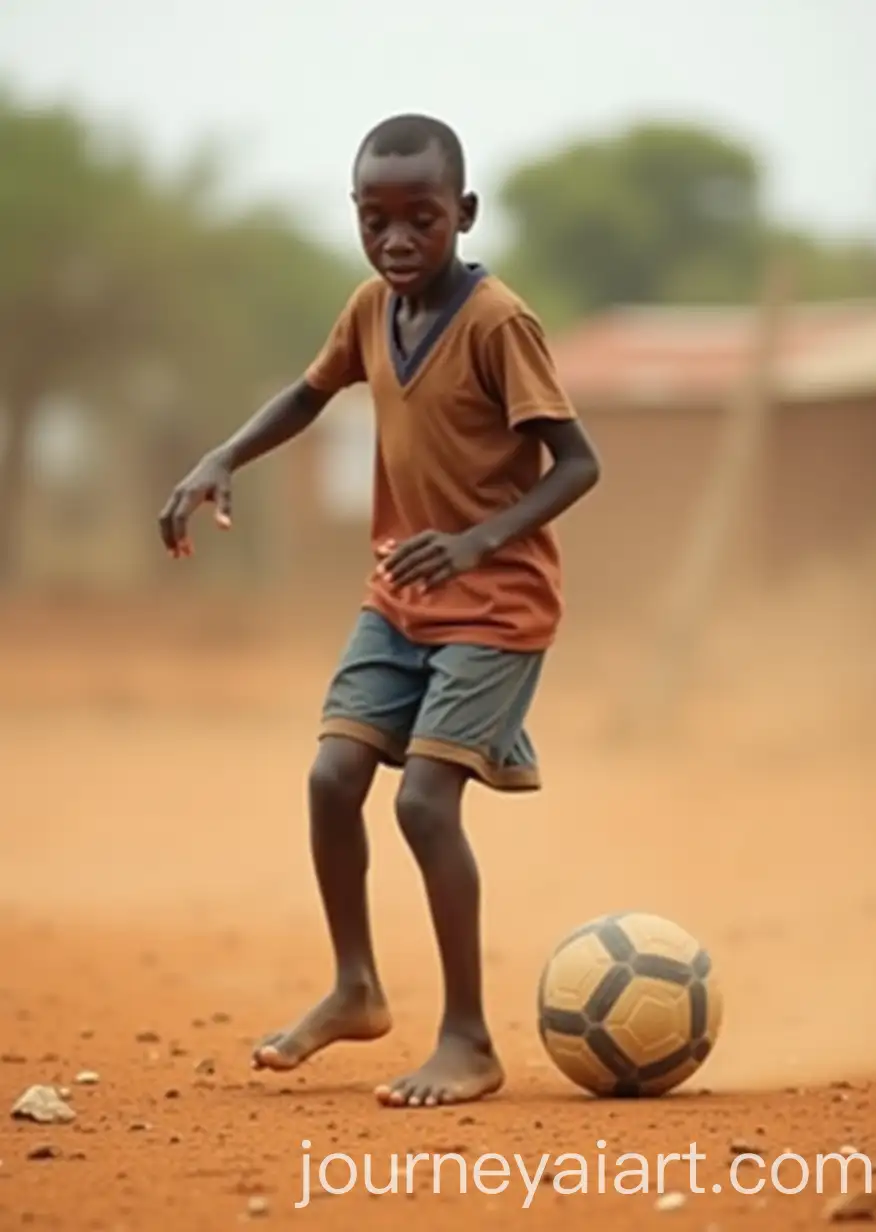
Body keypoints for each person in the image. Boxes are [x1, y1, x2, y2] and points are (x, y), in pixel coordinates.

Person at [157, 113, 601, 1108]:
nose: (397, 239)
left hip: (496, 601)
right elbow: (310, 395)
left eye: (422, 219)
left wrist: (482, 535)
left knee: (421, 801)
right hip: (400, 592)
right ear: (357, 218)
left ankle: (469, 1038)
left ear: (464, 215)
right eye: (375, 218)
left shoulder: (499, 323)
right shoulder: (370, 308)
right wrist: (221, 455)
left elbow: (579, 462)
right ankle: (356, 987)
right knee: (331, 774)